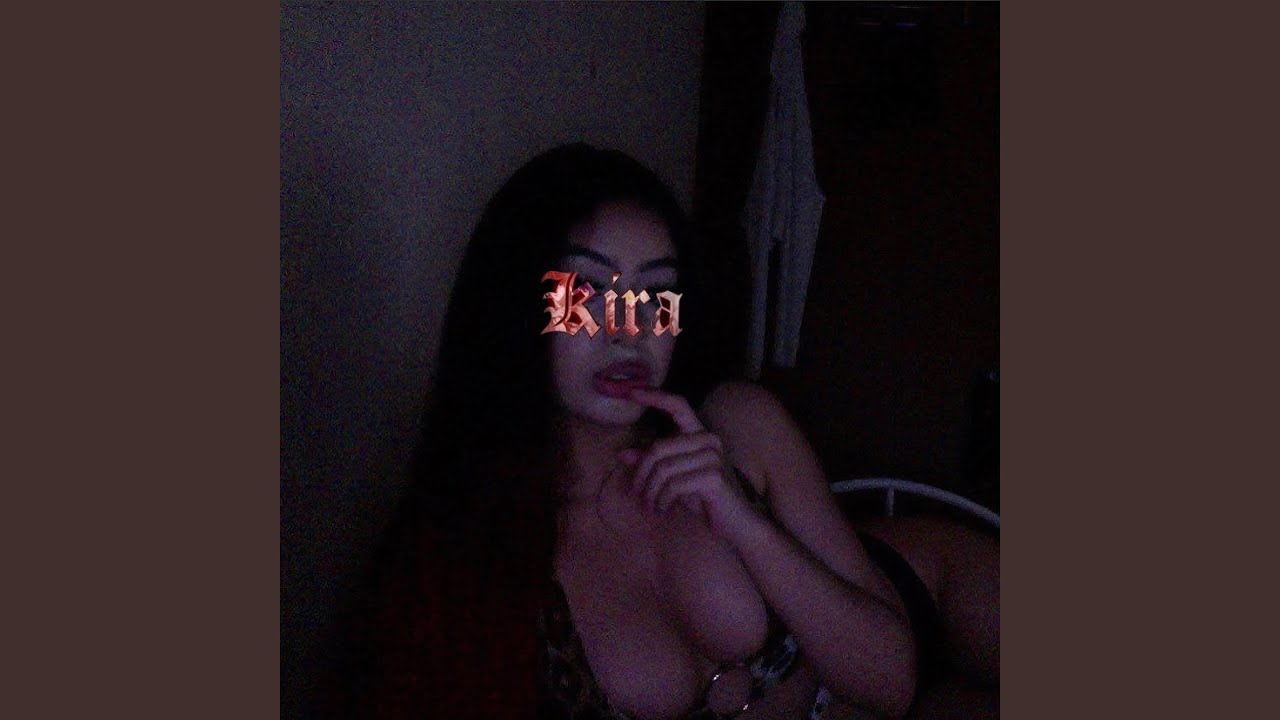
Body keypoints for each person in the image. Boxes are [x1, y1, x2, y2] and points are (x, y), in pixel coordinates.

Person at [353, 144, 996, 720]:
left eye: (657, 294)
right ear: (517, 305)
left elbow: (890, 681)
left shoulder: (735, 423)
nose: (628, 328)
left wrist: (742, 520)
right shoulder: (477, 551)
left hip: (916, 582)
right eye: (585, 291)